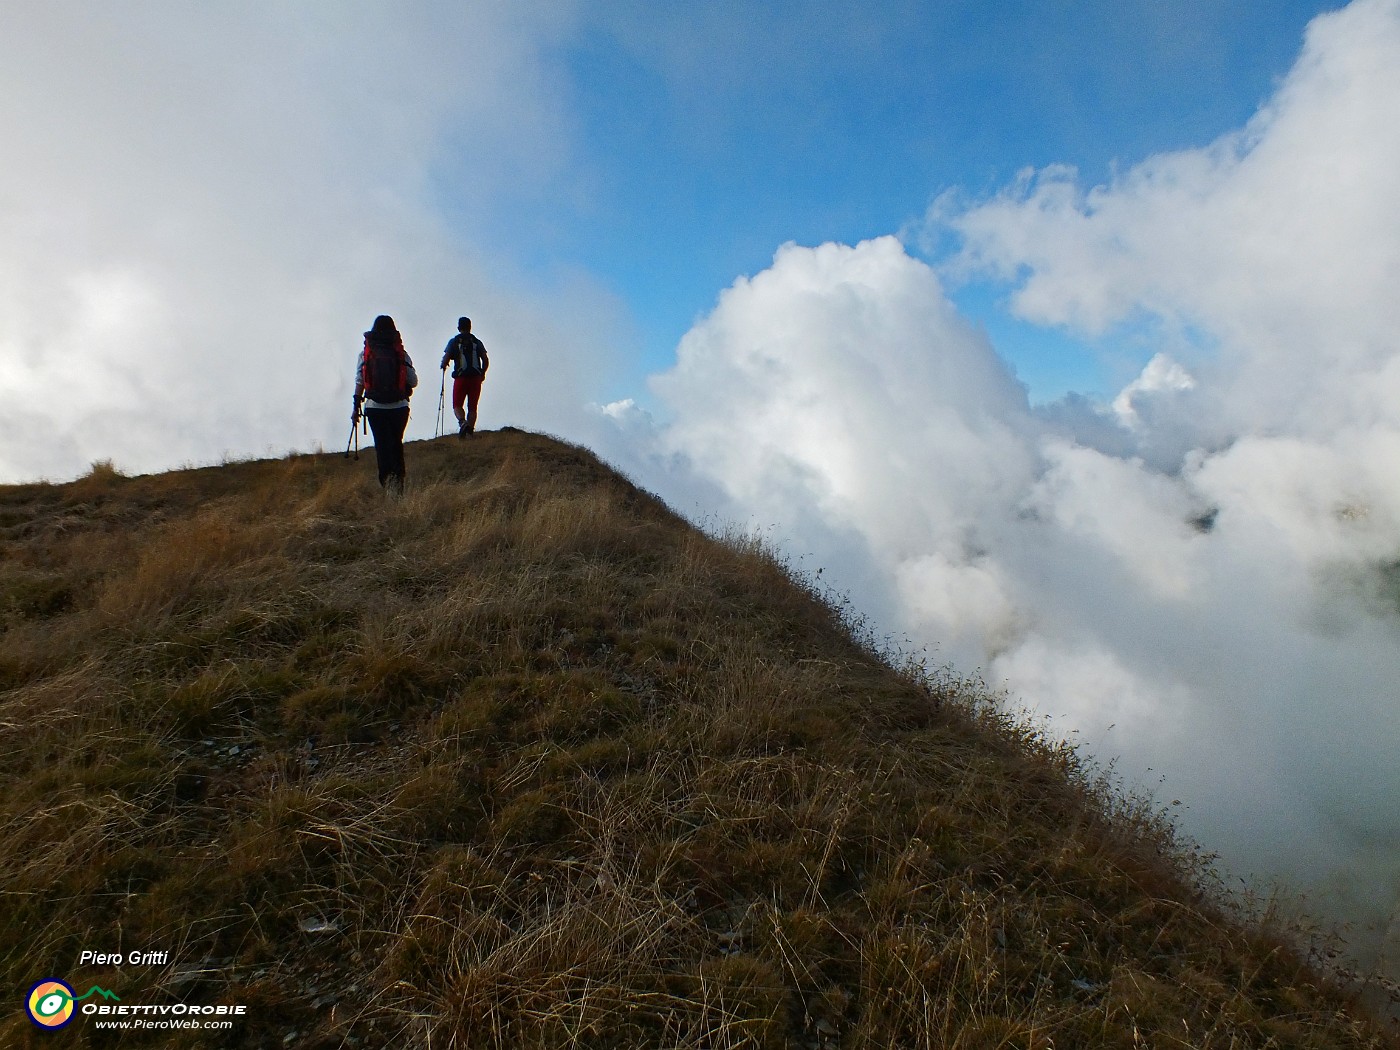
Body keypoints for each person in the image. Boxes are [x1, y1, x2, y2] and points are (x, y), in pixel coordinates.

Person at [353, 315, 418, 495]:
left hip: (374, 408)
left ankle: (388, 485)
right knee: (396, 443)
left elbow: (360, 381)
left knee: (382, 447)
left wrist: (355, 407)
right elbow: (413, 381)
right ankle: (399, 482)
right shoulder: (401, 353)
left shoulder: (365, 354)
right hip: (399, 407)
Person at [439, 316, 489, 437]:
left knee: (457, 405)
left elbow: (446, 358)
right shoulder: (477, 342)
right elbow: (485, 359)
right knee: (472, 407)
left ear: (458, 327)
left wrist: (443, 365)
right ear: (470, 327)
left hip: (460, 378)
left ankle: (462, 423)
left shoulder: (454, 341)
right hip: (476, 378)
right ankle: (469, 432)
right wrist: (483, 373)